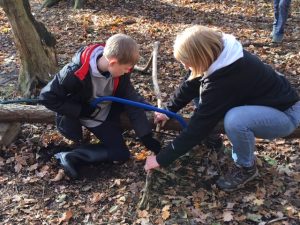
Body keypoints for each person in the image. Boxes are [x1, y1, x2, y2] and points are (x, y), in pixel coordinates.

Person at [144, 25, 300, 192]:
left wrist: (161, 159)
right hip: (259, 103)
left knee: (235, 120)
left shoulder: (227, 76)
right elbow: (191, 83)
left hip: (285, 115)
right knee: (200, 85)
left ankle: (246, 167)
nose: (184, 67)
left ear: (201, 55)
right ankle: (213, 138)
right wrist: (168, 110)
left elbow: (199, 125)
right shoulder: (218, 54)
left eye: (186, 62)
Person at [40, 33, 161, 179]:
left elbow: (132, 99)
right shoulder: (73, 73)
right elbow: (46, 97)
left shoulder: (119, 72)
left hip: (107, 110)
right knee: (120, 153)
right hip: (88, 116)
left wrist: (145, 135)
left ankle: (115, 131)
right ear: (113, 63)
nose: (127, 72)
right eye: (126, 69)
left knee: (120, 152)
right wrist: (80, 111)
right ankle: (70, 156)